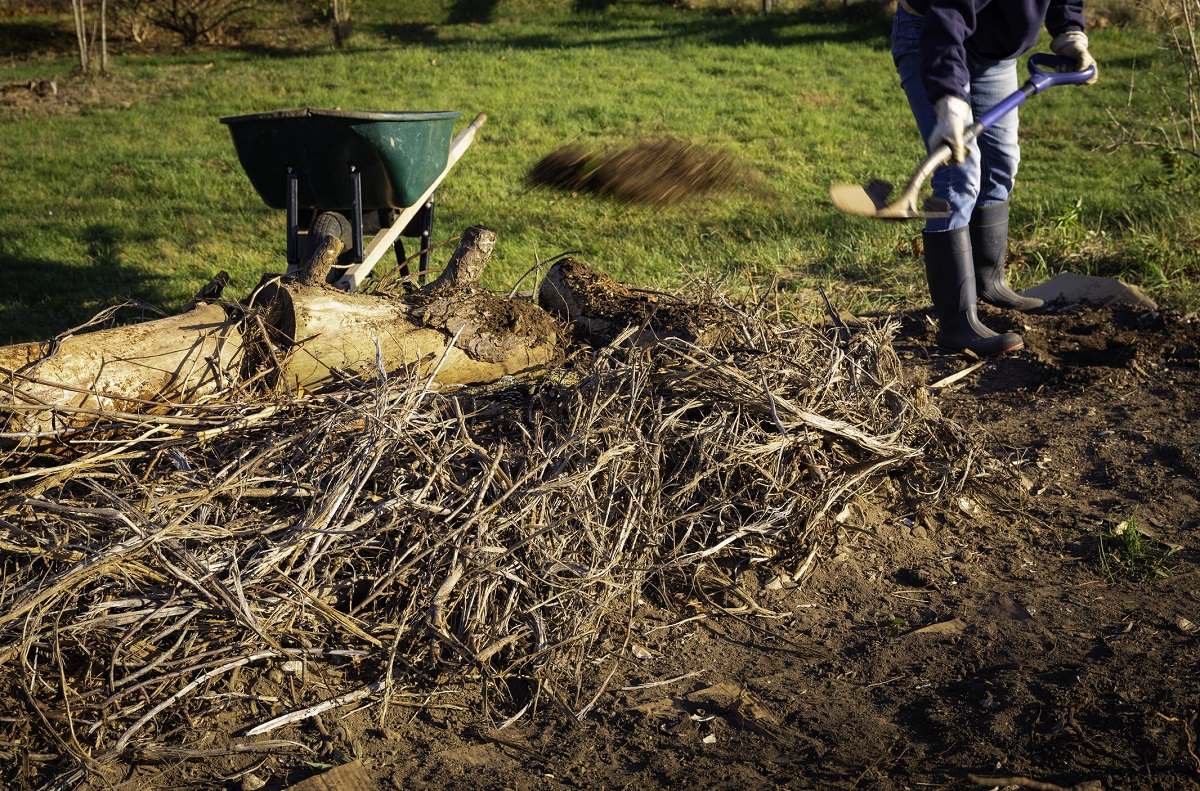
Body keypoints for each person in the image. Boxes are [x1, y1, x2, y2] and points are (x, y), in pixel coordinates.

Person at [892, 0, 1097, 356]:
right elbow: (947, 19)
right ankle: (957, 322)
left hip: (993, 53)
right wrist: (950, 103)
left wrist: (1069, 31)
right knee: (960, 172)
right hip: (932, 34)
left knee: (1001, 161)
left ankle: (990, 281)